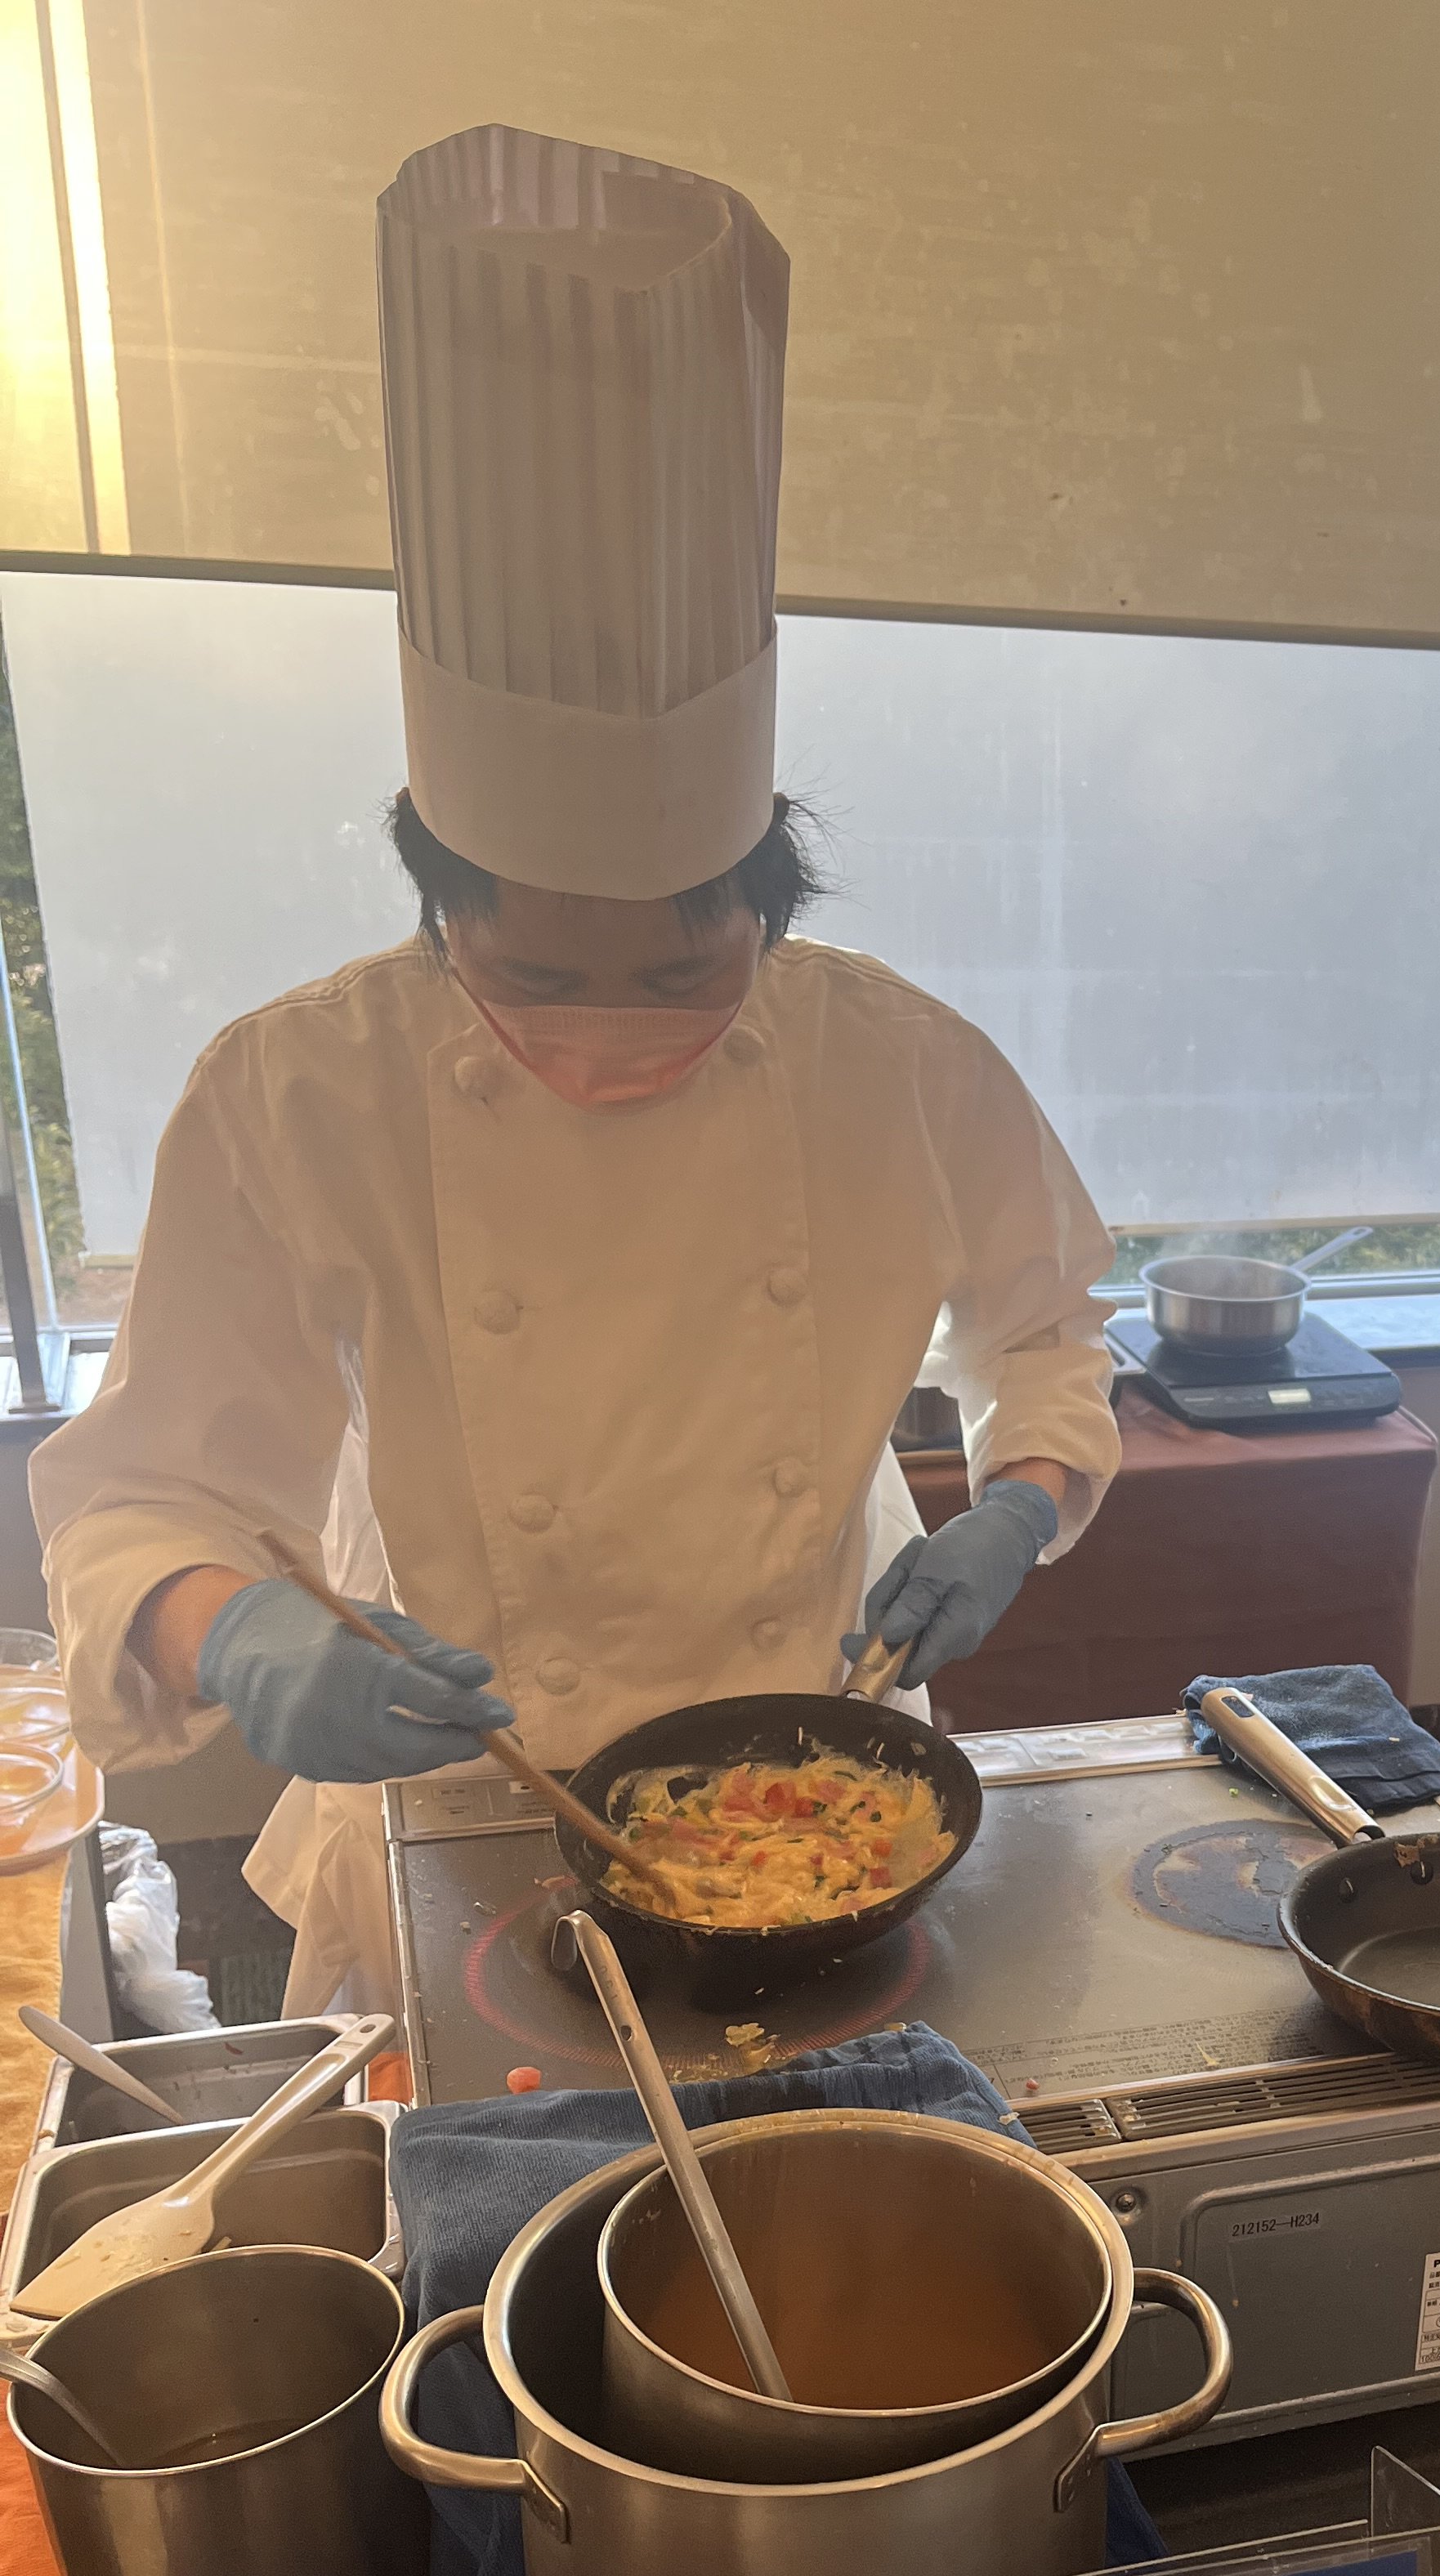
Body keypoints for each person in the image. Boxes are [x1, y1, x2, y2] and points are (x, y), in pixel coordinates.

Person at [32, 125, 1119, 2014]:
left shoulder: (896, 1063)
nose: (611, 1029)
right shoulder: (298, 1090)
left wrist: (1019, 1498)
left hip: (823, 1752)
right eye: (534, 974)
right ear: (434, 902)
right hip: (467, 1769)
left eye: (685, 969)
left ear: (767, 895)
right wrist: (244, 1633)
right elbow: (145, 1498)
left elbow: (1051, 1329)